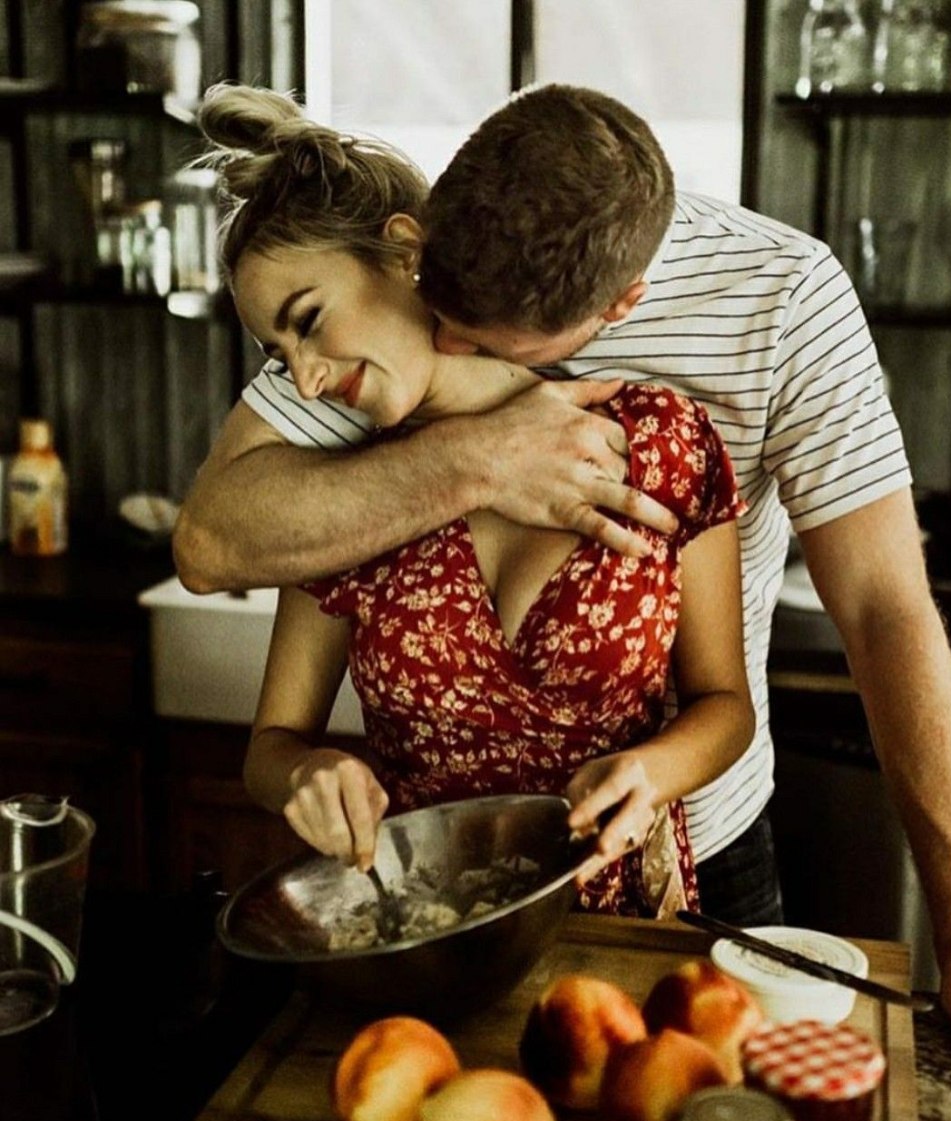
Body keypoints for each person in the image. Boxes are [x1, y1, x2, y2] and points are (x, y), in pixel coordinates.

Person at [174, 84, 951, 1047]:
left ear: (619, 308)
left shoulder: (760, 324)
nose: (451, 342)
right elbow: (212, 545)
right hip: (428, 910)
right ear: (421, 242)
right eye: (445, 308)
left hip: (686, 872)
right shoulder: (371, 350)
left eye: (483, 336)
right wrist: (477, 458)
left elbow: (885, 611)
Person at [197, 83, 755, 916]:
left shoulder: (662, 440)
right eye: (279, 355)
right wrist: (307, 773)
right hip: (422, 930)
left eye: (308, 322)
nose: (305, 381)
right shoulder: (341, 493)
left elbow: (726, 705)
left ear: (403, 254)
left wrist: (655, 768)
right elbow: (270, 747)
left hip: (625, 931)